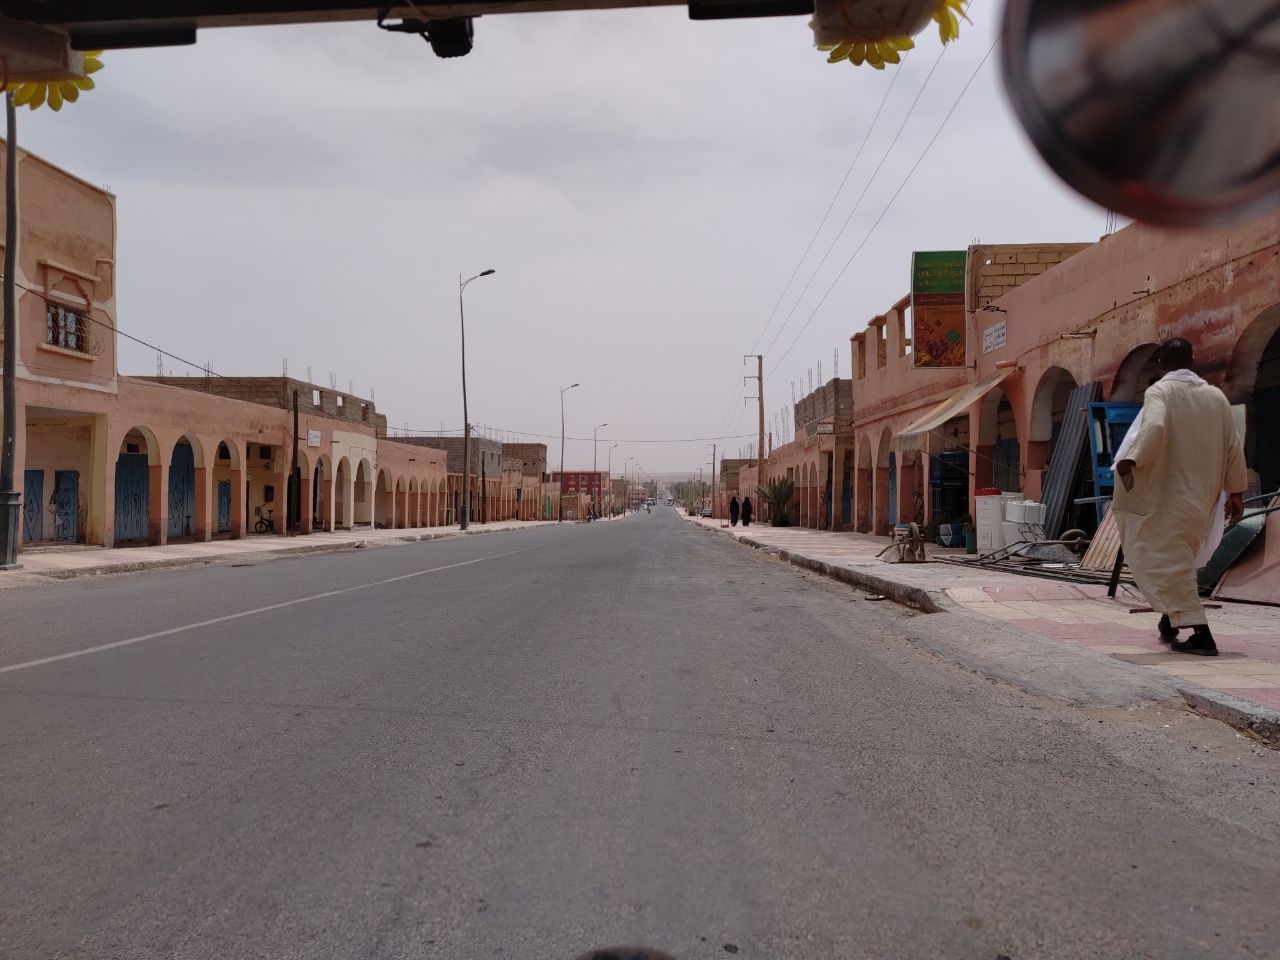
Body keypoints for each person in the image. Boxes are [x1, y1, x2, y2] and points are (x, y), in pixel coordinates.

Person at [1114, 337, 1246, 656]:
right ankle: (1168, 621)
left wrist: (1132, 459)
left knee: (1165, 559)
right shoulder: (1215, 396)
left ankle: (1201, 634)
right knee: (1179, 559)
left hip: (1167, 495)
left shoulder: (1160, 391)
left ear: (1161, 363)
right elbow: (1233, 445)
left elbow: (1155, 427)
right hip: (1204, 496)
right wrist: (1237, 492)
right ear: (1192, 360)